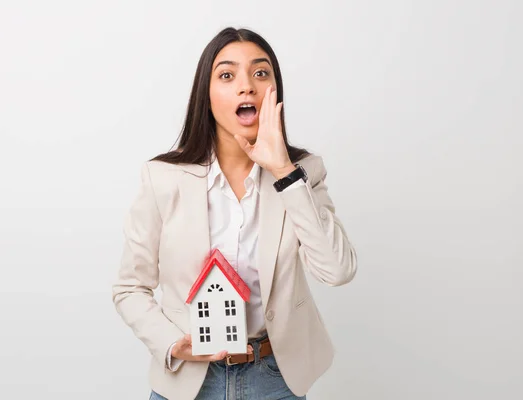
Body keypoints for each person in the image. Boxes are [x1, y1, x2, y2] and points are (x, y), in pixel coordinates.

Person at [112, 27, 358, 400]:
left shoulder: (304, 171)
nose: (247, 86)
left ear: (275, 91)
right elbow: (130, 287)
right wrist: (173, 344)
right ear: (206, 95)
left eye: (261, 73)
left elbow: (337, 271)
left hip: (275, 379)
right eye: (227, 75)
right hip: (188, 381)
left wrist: (284, 173)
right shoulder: (163, 178)